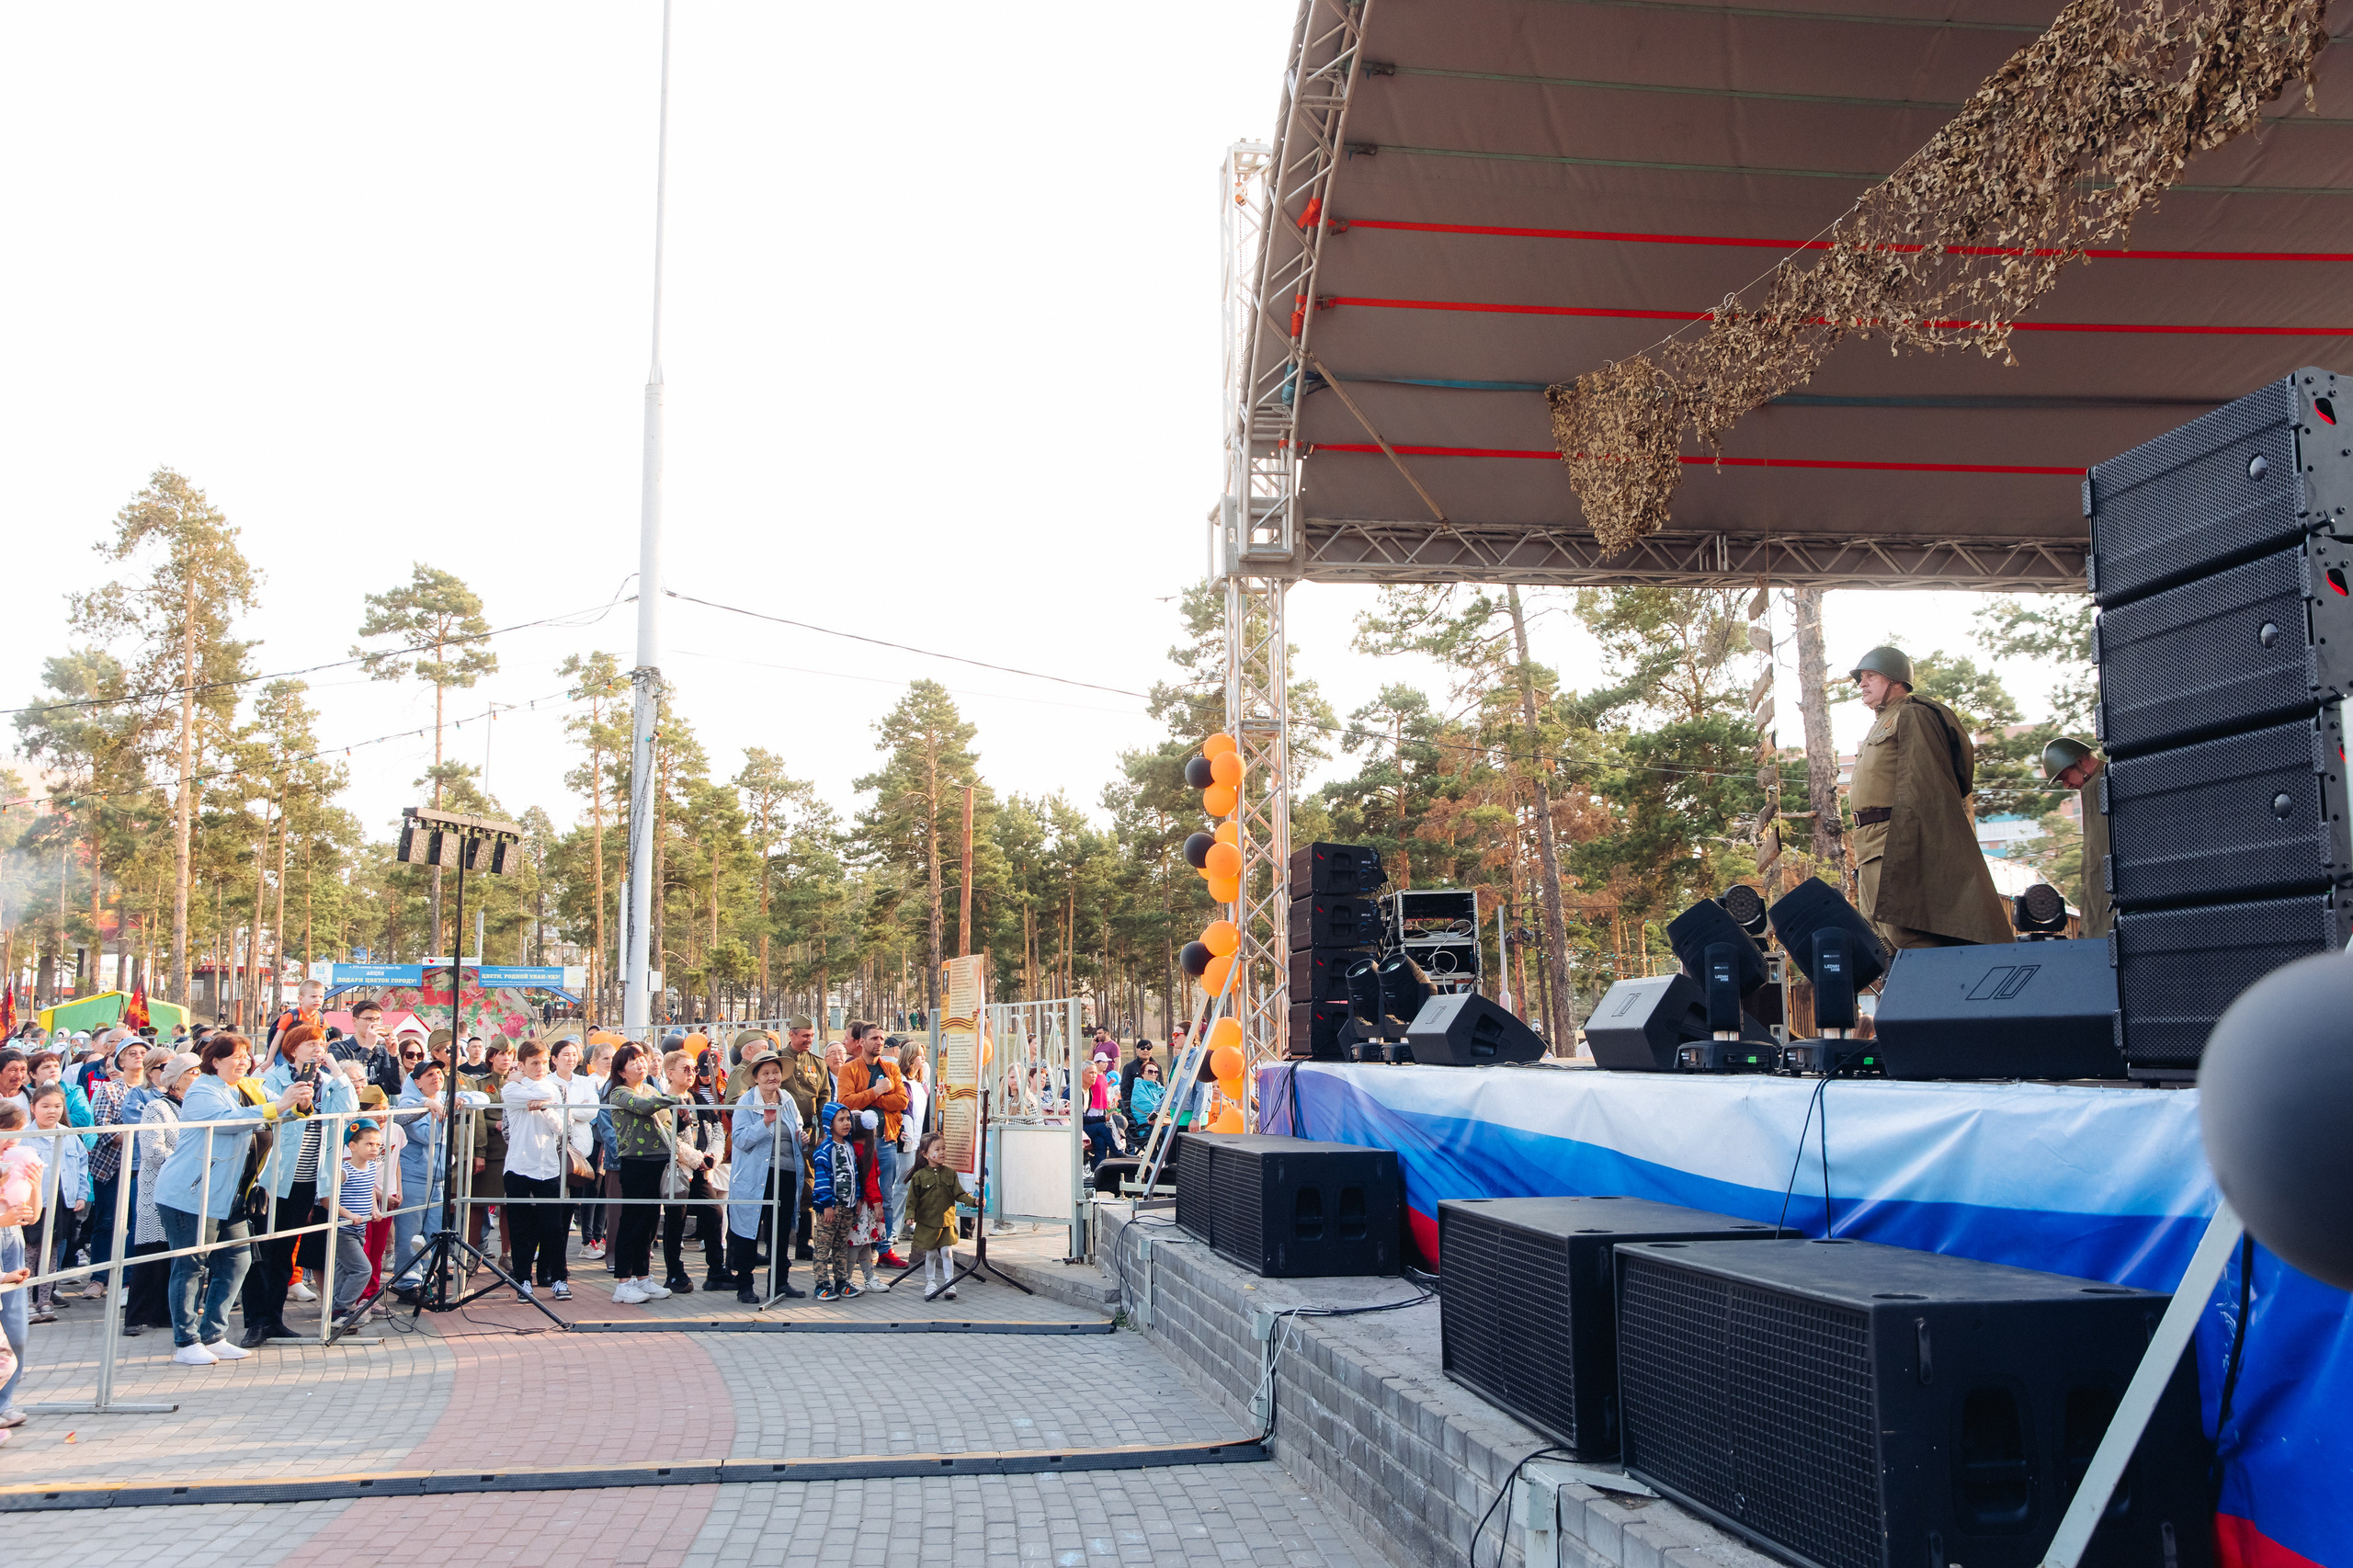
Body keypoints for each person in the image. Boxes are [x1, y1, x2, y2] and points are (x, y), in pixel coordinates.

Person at [152, 1034, 313, 1366]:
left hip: (231, 1196)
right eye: (235, 1057)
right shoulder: (201, 1089)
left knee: (238, 1260)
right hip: (191, 1194)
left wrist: (300, 1101)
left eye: (245, 1056)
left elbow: (283, 1111)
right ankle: (186, 1341)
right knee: (191, 1266)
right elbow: (229, 1123)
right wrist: (280, 1105)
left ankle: (213, 1334)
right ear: (215, 1061)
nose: (243, 1062)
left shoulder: (249, 1088)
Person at [1847, 645, 2014, 950]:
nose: (1862, 683)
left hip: (1894, 842)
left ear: (1895, 679)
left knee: (1910, 937)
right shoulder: (1882, 722)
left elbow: (1927, 788)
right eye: (1861, 677)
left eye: (1871, 675)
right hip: (1869, 846)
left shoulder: (1913, 714)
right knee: (1887, 941)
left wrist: (1911, 846)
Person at [241, 1021, 358, 1347]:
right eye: (311, 1045)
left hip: (308, 1180)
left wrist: (336, 1070)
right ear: (292, 1049)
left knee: (285, 1251)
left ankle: (274, 1319)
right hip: (273, 1179)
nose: (319, 1050)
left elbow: (349, 1111)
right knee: (263, 1250)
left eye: (322, 1044)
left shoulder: (329, 1082)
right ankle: (256, 1320)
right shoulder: (273, 1079)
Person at [124, 1052, 202, 1334]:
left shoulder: (197, 1108)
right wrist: (190, 1160)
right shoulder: (156, 1107)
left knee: (176, 1255)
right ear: (176, 1079)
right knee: (151, 1255)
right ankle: (135, 1317)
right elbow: (152, 1149)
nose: (197, 1078)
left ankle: (164, 1313)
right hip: (157, 1190)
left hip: (187, 1191)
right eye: (192, 1073)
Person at [726, 1048, 805, 1303]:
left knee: (781, 1230)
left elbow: (797, 1128)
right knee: (749, 1230)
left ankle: (779, 1282)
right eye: (766, 1073)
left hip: (786, 1174)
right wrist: (765, 1123)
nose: (772, 1077)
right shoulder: (746, 1102)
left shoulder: (788, 1100)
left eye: (776, 1072)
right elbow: (739, 1139)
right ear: (756, 1078)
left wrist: (801, 1138)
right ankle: (745, 1285)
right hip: (755, 1176)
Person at [605, 1042, 680, 1305]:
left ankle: (643, 1276)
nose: (640, 1064)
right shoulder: (619, 1093)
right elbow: (644, 1106)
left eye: (642, 1059)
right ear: (621, 1070)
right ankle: (623, 1283)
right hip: (635, 1163)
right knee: (632, 1221)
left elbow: (667, 1120)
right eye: (632, 1061)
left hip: (658, 1160)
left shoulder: (651, 1089)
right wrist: (675, 1098)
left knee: (649, 1224)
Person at [835, 1021, 909, 1269]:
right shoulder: (849, 1069)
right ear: (862, 1042)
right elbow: (845, 1102)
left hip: (886, 1141)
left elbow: (901, 1101)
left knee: (885, 1197)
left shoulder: (890, 1069)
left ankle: (885, 1248)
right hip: (858, 1144)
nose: (879, 1042)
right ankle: (853, 1247)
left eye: (882, 1038)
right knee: (858, 1196)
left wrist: (873, 1098)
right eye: (874, 1038)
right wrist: (876, 1092)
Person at [499, 1041, 566, 1303]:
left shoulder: (552, 1088)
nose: (539, 1068)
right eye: (533, 1063)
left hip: (548, 1166)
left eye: (542, 1062)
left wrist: (546, 1105)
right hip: (518, 1165)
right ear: (523, 1064)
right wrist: (522, 1084)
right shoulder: (511, 1088)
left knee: (553, 1227)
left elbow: (560, 1127)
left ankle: (559, 1278)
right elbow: (514, 1094)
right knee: (520, 1228)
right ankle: (523, 1279)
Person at [656, 1048, 726, 1296]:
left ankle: (716, 1270)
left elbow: (717, 1130)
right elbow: (669, 1138)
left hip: (703, 1169)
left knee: (714, 1211)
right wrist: (697, 1159)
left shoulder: (699, 1099)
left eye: (694, 1069)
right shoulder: (664, 1101)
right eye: (685, 1069)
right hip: (680, 1168)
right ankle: (674, 1272)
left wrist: (713, 1158)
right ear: (670, 1073)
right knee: (676, 1219)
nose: (692, 1073)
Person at [26, 1085, 89, 1323]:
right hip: (35, 1204)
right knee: (30, 1252)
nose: (51, 1111)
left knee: (52, 1252)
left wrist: (81, 1195)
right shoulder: (24, 1137)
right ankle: (27, 1301)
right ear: (33, 1108)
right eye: (45, 1106)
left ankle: (45, 1299)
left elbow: (82, 1167)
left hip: (63, 1202)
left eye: (57, 1106)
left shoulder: (69, 1136)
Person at [2044, 737, 2111, 940]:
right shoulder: (2095, 787)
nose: (2066, 785)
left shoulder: (2101, 784)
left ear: (2081, 760)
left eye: (2065, 776)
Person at [546, 1037, 599, 1290]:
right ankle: (548, 1265)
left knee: (569, 1210)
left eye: (573, 1054)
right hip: (551, 1152)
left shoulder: (585, 1082)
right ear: (554, 1059)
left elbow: (592, 1111)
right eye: (564, 1054)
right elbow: (550, 1112)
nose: (570, 1058)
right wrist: (573, 1109)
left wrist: (566, 1109)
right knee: (551, 1212)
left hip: (579, 1153)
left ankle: (560, 1263)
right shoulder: (546, 1082)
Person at [904, 1131, 977, 1303]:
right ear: (925, 1154)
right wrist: (910, 1216)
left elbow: (959, 1194)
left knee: (947, 1251)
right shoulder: (919, 1176)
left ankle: (950, 1283)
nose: (942, 1152)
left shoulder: (950, 1174)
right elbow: (911, 1200)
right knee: (930, 1254)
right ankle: (930, 1283)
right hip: (928, 1223)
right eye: (937, 1149)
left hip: (946, 1222)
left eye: (944, 1148)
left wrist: (973, 1201)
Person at [777, 1018, 828, 1261]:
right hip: (781, 1132)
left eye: (811, 1036)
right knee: (782, 1186)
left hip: (808, 1133)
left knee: (808, 1186)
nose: (809, 1040)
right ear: (791, 1035)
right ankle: (778, 1243)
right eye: (805, 1036)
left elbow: (824, 1098)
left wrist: (823, 1132)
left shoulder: (818, 1064)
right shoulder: (778, 1060)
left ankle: (805, 1241)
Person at [0, 1102, 38, 1430]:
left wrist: (36, 1184)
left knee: (16, 1332)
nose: (15, 1141)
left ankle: (6, 1402)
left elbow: (32, 1215)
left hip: (12, 1242)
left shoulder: (15, 1163)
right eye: (9, 1133)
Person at [324, 1119, 383, 1329]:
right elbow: (327, 1199)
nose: (374, 1149)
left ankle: (335, 1315)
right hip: (343, 1230)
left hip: (359, 1229)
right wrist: (348, 1214)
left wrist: (374, 1211)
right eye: (369, 1144)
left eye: (377, 1145)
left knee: (344, 1270)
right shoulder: (344, 1170)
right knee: (362, 1270)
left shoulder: (371, 1168)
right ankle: (343, 1307)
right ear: (352, 1146)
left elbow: (368, 1194)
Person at [809, 1102, 858, 1301]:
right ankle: (821, 1284)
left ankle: (841, 1281)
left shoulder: (849, 1147)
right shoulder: (825, 1149)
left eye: (848, 1119)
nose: (846, 1123)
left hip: (848, 1206)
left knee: (841, 1245)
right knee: (823, 1245)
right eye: (841, 1119)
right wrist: (826, 1205)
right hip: (830, 1207)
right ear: (830, 1124)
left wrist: (858, 1198)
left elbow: (854, 1175)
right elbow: (821, 1180)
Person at [332, 999, 405, 1101]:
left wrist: (394, 1055)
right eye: (369, 1019)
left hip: (380, 1109)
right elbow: (344, 1083)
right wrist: (367, 1047)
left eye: (378, 1019)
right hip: (352, 1108)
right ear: (355, 1021)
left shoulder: (383, 1050)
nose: (374, 1024)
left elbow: (397, 1088)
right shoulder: (338, 1048)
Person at [265, 979, 328, 1058]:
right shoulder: (291, 1016)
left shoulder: (321, 1018)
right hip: (286, 1054)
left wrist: (324, 1056)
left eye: (321, 997)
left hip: (309, 1053)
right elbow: (276, 1040)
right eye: (313, 996)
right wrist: (269, 1060)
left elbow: (323, 1041)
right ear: (301, 999)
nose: (318, 1000)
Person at [1080, 1057, 1119, 1171]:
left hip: (1084, 1126)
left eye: (1096, 1073)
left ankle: (1099, 1172)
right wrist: (1103, 1118)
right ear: (1081, 1074)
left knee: (1100, 1140)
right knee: (1102, 1127)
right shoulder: (1074, 1091)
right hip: (1074, 1128)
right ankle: (1116, 1152)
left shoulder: (1089, 1092)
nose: (1094, 1076)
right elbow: (1080, 1118)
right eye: (1091, 1073)